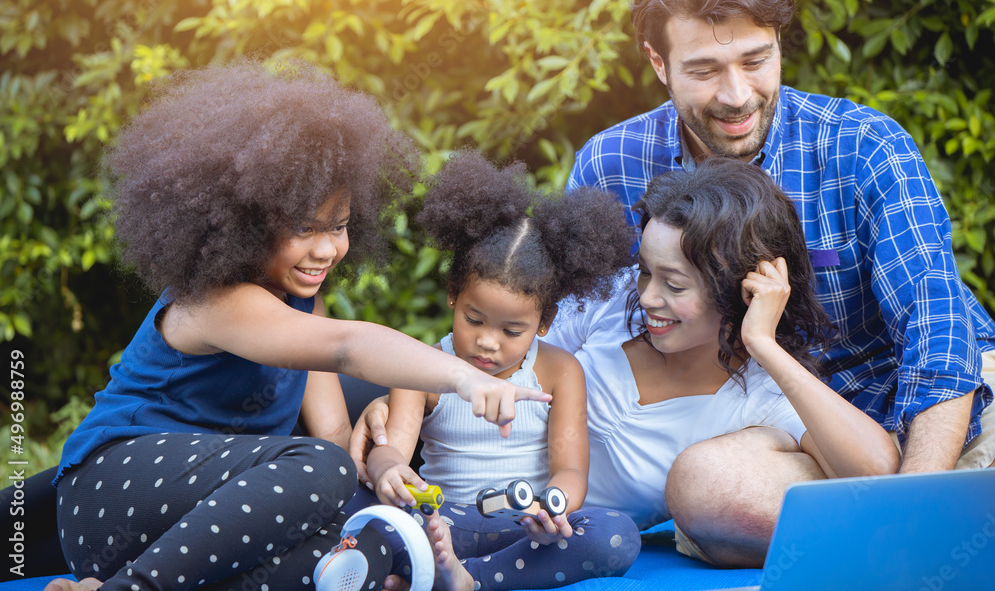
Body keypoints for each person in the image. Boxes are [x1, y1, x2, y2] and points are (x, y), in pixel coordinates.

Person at [566, 0, 995, 561]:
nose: (737, 95)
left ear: (778, 45)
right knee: (704, 487)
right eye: (705, 70)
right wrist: (424, 399)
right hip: (779, 431)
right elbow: (547, 327)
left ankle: (910, 534)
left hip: (934, 414)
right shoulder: (610, 166)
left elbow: (938, 333)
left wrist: (917, 501)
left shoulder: (864, 148)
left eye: (755, 60)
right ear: (659, 63)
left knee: (940, 516)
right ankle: (907, 541)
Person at [42, 62, 550, 591]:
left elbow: (333, 434)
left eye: (339, 225)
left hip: (186, 536)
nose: (327, 248)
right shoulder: (216, 303)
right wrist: (465, 378)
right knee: (322, 468)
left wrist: (383, 474)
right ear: (243, 220)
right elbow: (348, 349)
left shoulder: (305, 308)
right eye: (304, 228)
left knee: (368, 542)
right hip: (113, 495)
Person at [354, 157, 901, 570]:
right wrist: (401, 399)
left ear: (739, 290)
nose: (647, 298)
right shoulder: (611, 304)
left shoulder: (760, 394)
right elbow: (498, 343)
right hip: (451, 463)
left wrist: (763, 342)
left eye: (675, 284)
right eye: (646, 271)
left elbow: (878, 473)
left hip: (548, 525)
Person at [347, 151, 639, 590]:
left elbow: (571, 470)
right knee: (353, 503)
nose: (488, 341)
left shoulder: (560, 371)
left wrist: (553, 508)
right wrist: (389, 470)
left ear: (545, 322)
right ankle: (443, 573)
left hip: (522, 534)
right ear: (452, 295)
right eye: (474, 319)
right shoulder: (424, 365)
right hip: (440, 521)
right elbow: (393, 446)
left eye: (512, 330)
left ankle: (462, 580)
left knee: (616, 535)